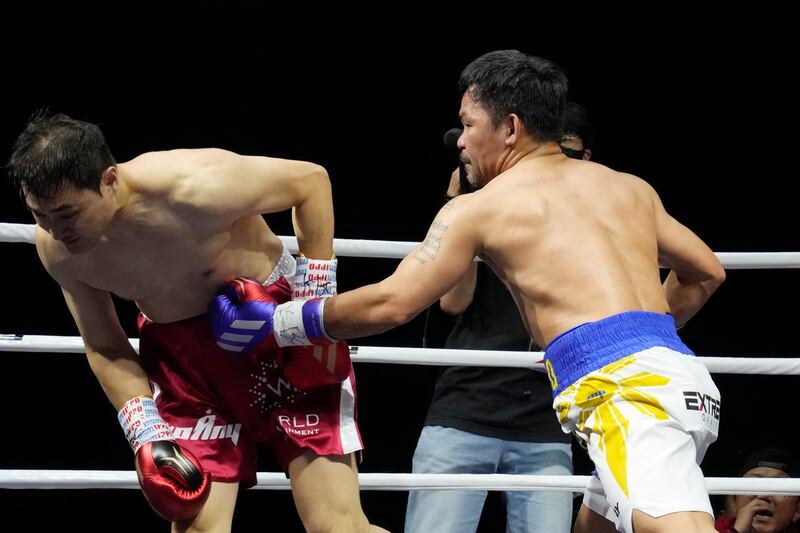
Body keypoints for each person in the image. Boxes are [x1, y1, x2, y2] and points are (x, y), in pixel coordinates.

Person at [212, 49, 727, 533]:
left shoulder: (482, 206)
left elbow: (394, 301)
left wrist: (279, 322)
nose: (460, 140)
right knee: (594, 525)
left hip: (624, 395)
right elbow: (706, 272)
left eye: (468, 124)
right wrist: (644, 340)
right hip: (678, 378)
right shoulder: (629, 187)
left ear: (509, 128)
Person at [7, 111, 388, 533]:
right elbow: (105, 346)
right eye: (40, 216)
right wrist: (146, 430)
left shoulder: (196, 185)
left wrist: (311, 307)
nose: (57, 231)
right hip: (185, 368)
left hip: (273, 334)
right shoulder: (57, 251)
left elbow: (311, 182)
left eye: (67, 213)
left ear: (109, 181)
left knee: (337, 527)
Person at [403, 126, 582, 533]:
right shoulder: (482, 211)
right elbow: (452, 301)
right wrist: (462, 203)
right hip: (465, 408)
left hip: (545, 421)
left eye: (566, 156)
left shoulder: (588, 226)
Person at [715, 448, 800, 533]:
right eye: (753, 485)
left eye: (779, 487)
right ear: (735, 501)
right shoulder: (711, 528)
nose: (763, 496)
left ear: (797, 510)